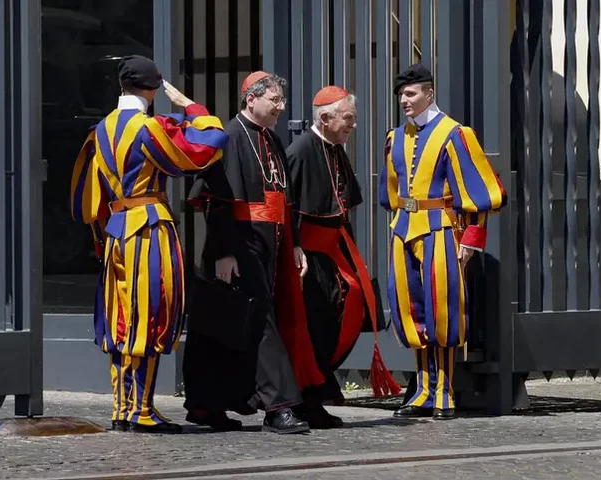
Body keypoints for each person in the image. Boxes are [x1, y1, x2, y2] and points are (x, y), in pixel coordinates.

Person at [70, 55, 228, 434]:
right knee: (150, 316)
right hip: (148, 231)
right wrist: (192, 107)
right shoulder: (148, 127)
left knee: (121, 321)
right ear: (154, 90)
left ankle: (124, 409)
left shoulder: (101, 129)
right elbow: (204, 148)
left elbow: (85, 198)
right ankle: (140, 410)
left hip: (115, 231)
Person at [182, 71, 312, 434]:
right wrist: (225, 251)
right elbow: (218, 200)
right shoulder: (230, 136)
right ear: (251, 99)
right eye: (275, 100)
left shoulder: (271, 138)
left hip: (270, 242)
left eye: (282, 101)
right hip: (237, 244)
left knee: (226, 327)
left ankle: (207, 405)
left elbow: (286, 200)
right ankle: (279, 407)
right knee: (255, 322)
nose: (281, 108)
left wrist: (296, 243)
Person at [379, 64, 506, 420]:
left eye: (411, 94)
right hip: (404, 228)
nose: (404, 100)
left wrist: (472, 238)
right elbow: (390, 192)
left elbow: (480, 191)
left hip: (442, 229)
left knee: (443, 308)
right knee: (411, 307)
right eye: (401, 95)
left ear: (429, 94)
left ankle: (445, 391)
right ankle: (421, 389)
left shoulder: (455, 134)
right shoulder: (394, 137)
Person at [285, 86, 400, 428]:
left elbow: (342, 203)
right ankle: (305, 400)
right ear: (326, 117)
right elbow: (290, 210)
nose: (353, 125)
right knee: (316, 328)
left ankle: (316, 397)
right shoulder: (301, 151)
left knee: (345, 319)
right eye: (348, 118)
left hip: (333, 252)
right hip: (309, 258)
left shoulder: (335, 149)